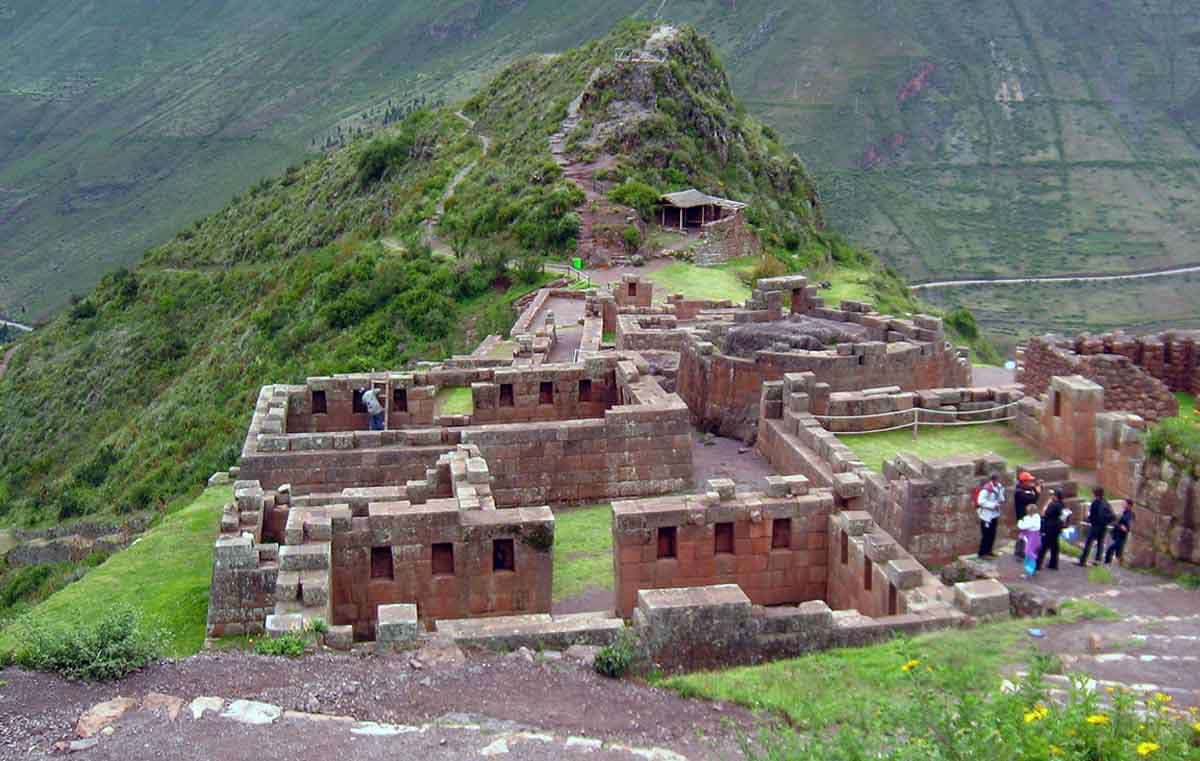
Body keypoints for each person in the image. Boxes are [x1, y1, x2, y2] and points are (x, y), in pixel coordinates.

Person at [1078, 487, 1114, 567]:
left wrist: (1089, 519)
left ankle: (1082, 560)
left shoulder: (1095, 503)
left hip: (1095, 526)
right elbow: (1112, 515)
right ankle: (1097, 562)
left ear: (1095, 494)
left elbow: (1092, 516)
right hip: (1103, 527)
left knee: (1088, 543)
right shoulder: (1106, 502)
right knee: (1100, 544)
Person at [1037, 489, 1067, 571]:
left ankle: (1038, 564)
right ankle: (1053, 564)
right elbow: (1064, 516)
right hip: (1057, 528)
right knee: (1055, 546)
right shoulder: (1062, 505)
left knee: (1044, 546)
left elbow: (1043, 513)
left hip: (1049, 527)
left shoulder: (1053, 505)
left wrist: (1047, 503)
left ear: (1055, 496)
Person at [976, 474, 1004, 558]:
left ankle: (989, 551)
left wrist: (1001, 500)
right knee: (986, 535)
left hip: (994, 514)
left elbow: (1000, 496)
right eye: (998, 480)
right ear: (993, 480)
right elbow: (980, 501)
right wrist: (992, 505)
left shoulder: (999, 487)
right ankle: (982, 553)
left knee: (992, 534)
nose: (999, 482)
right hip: (986, 515)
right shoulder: (986, 489)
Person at [1013, 473, 1041, 557]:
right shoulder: (1019, 492)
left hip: (1026, 515)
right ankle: (1021, 551)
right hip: (1022, 516)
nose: (1030, 482)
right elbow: (1031, 500)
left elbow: (1030, 488)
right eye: (1029, 481)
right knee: (1025, 534)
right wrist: (1037, 493)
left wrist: (1037, 485)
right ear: (1023, 481)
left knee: (1023, 534)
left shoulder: (1024, 488)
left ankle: (1019, 551)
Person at [1017, 504, 1042, 577]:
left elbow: (1024, 526)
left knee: (1029, 553)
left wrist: (1020, 523)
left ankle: (1029, 571)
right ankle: (1031, 570)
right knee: (1029, 553)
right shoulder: (1033, 517)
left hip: (1033, 537)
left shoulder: (1035, 518)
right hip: (1033, 536)